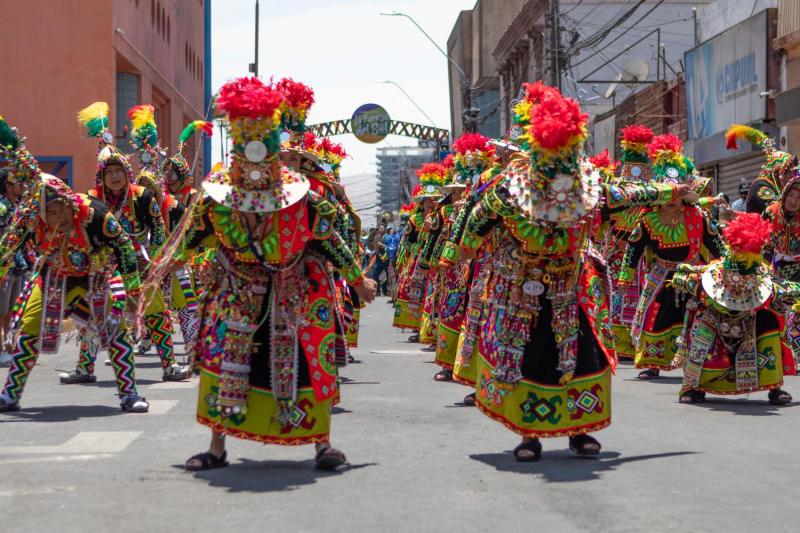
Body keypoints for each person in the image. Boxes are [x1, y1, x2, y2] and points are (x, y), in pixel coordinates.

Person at [458, 82, 698, 460]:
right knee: (528, 356)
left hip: (572, 288)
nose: (561, 162)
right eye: (553, 153)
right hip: (523, 288)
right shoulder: (510, 188)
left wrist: (670, 191)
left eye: (567, 152)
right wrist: (464, 251)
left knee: (583, 355)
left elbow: (627, 193)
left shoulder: (587, 185)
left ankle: (580, 430)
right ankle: (529, 434)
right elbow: (477, 217)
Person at [149, 77, 376, 471]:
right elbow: (185, 241)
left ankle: (322, 444)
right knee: (223, 362)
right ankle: (217, 447)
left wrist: (358, 280)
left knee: (309, 363)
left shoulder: (304, 197)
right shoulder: (215, 199)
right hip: (234, 290)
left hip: (294, 290)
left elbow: (329, 240)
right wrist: (156, 273)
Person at [0, 116, 149, 412]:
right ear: (41, 214)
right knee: (29, 328)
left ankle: (129, 394)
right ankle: (10, 394)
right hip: (54, 278)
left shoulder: (95, 214)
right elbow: (5, 252)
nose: (61, 217)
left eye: (63, 208)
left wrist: (132, 290)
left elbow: (123, 246)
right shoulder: (29, 221)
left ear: (70, 202)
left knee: (116, 329)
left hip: (97, 276)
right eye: (52, 213)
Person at [60, 102, 189, 384]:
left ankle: (169, 365)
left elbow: (158, 229)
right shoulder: (91, 199)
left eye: (118, 170)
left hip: (140, 267)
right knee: (91, 315)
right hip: (103, 268)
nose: (114, 176)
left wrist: (157, 263)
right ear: (101, 176)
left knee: (155, 311)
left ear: (126, 172)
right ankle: (85, 368)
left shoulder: (142, 197)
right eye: (109, 172)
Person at [620, 134, 724, 380]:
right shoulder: (648, 220)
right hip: (661, 276)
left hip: (692, 275)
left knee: (697, 317)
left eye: (678, 195)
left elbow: (717, 244)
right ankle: (653, 362)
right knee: (656, 315)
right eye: (669, 194)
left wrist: (729, 265)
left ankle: (698, 362)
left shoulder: (698, 217)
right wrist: (626, 276)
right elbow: (633, 248)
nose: (673, 200)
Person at [672, 212, 797, 405]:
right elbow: (683, 277)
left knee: (770, 321)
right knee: (701, 324)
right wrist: (696, 288)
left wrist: (779, 293)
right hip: (716, 317)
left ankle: (774, 387)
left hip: (748, 319)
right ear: (732, 247)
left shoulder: (763, 274)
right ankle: (692, 386)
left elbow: (781, 288)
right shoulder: (716, 270)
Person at [725, 125, 797, 214]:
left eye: (793, 172)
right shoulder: (761, 186)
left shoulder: (777, 186)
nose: (792, 176)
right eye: (789, 172)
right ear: (778, 172)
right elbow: (777, 209)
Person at [0, 167, 29, 362]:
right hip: (4, 267)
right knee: (1, 309)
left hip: (17, 265)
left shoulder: (17, 206)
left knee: (11, 309)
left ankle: (8, 347)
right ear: (8, 186)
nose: (22, 185)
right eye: (18, 182)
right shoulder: (2, 208)